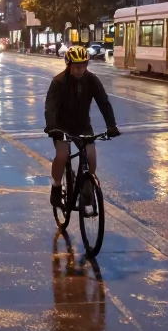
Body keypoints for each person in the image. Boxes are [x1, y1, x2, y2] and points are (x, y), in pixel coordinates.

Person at [44, 45, 120, 210]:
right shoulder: (58, 82)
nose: (80, 69)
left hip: (83, 126)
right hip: (61, 127)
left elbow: (104, 103)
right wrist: (52, 127)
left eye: (84, 65)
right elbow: (50, 108)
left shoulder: (92, 80)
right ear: (68, 64)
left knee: (91, 157)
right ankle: (56, 186)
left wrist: (111, 125)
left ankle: (88, 187)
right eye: (77, 66)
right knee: (62, 155)